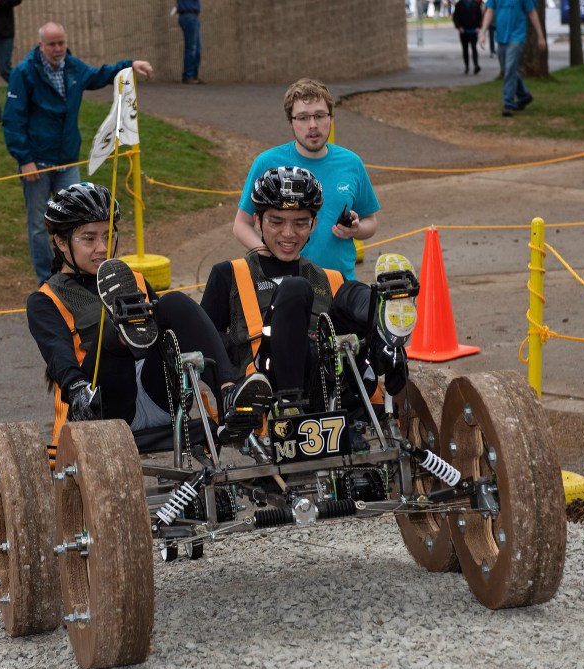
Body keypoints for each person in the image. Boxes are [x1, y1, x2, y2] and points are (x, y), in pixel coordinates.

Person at [26, 182, 272, 452]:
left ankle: (229, 396)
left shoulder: (136, 281)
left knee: (174, 302)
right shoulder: (46, 299)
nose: (101, 247)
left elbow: (179, 330)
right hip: (106, 402)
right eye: (89, 238)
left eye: (108, 236)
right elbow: (58, 355)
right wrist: (77, 388)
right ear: (61, 242)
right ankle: (121, 331)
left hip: (160, 392)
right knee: (111, 326)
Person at [202, 167, 415, 407]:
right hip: (265, 385)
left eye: (301, 223)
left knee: (349, 293)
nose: (289, 233)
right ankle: (291, 406)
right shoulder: (228, 274)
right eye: (276, 221)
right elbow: (204, 343)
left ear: (313, 224)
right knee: (296, 289)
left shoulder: (326, 278)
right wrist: (227, 387)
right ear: (257, 221)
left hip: (325, 382)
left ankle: (385, 320)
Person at [4, 22, 153, 284]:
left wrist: (130, 65)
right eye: (52, 44)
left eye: (61, 42)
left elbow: (99, 75)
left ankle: (76, 274)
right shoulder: (24, 73)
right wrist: (24, 159)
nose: (58, 48)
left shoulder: (72, 66)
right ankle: (46, 281)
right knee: (40, 226)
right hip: (37, 164)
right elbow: (13, 120)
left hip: (68, 161)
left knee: (79, 221)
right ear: (41, 45)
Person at [231, 78, 379, 281]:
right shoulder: (267, 163)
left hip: (340, 285)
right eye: (302, 117)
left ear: (331, 118)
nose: (312, 125)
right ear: (290, 122)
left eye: (319, 116)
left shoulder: (352, 163)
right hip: (284, 285)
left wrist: (356, 229)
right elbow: (241, 224)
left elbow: (370, 221)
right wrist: (267, 252)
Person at [478, 0, 545, 117]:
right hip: (501, 36)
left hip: (517, 36)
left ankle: (508, 103)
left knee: (509, 69)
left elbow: (532, 13)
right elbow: (489, 11)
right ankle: (524, 95)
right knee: (508, 68)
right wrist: (483, 32)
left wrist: (540, 36)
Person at [176, 0, 203, 84]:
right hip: (189, 15)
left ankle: (193, 75)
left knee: (196, 48)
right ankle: (188, 75)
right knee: (192, 48)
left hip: (192, 16)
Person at [453, 0, 483, 74]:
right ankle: (467, 66)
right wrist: (459, 27)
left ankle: (476, 65)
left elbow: (480, 16)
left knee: (474, 48)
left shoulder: (475, 4)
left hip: (473, 30)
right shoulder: (459, 4)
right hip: (464, 31)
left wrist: (479, 26)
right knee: (465, 49)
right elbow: (455, 17)